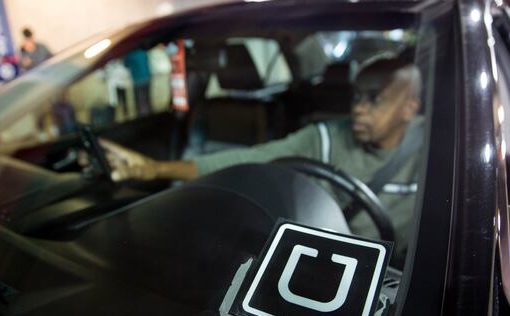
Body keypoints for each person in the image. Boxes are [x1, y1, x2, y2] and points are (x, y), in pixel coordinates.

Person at [102, 56, 423, 257]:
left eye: (375, 100)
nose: (358, 108)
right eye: (356, 96)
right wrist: (153, 168)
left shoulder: (433, 151)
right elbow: (252, 158)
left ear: (410, 109)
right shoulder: (326, 136)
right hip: (319, 259)